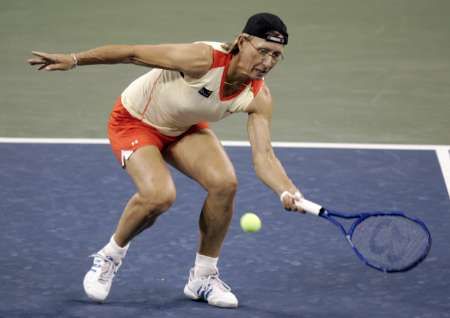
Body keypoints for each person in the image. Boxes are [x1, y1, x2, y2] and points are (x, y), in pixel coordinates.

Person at [28, 12, 304, 308]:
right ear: (241, 41)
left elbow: (264, 156)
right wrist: (75, 59)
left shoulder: (258, 96)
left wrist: (288, 190)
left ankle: (203, 277)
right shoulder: (202, 59)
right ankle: (110, 256)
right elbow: (133, 54)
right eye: (262, 50)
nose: (268, 62)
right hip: (135, 121)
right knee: (159, 196)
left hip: (183, 128)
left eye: (276, 55)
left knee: (224, 184)